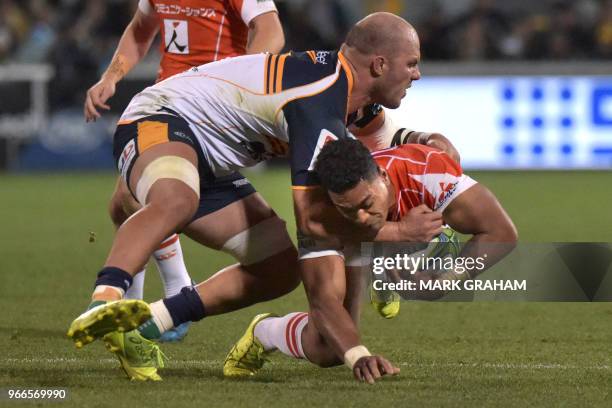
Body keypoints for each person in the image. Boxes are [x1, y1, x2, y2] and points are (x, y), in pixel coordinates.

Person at [66, 12, 444, 381]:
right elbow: (313, 225)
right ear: (379, 64)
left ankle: (145, 326)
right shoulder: (317, 103)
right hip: (158, 120)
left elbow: (382, 133)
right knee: (178, 200)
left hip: (209, 162)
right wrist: (394, 236)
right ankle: (105, 301)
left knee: (279, 268)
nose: (417, 73)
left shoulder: (343, 91)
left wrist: (426, 143)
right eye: (411, 63)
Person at [224, 139, 518, 384]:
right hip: (349, 245)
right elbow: (323, 301)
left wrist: (443, 281)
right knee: (328, 351)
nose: (362, 217)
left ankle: (388, 267)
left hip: (389, 234)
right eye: (349, 211)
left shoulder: (427, 171)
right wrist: (356, 353)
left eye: (366, 204)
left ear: (383, 175)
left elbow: (501, 233)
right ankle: (264, 331)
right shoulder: (318, 213)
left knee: (427, 230)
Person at [82, 0, 285, 342]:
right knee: (123, 203)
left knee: (137, 197)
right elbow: (140, 29)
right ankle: (140, 306)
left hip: (210, 114)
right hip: (167, 105)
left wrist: (243, 83)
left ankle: (166, 290)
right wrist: (111, 76)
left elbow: (270, 32)